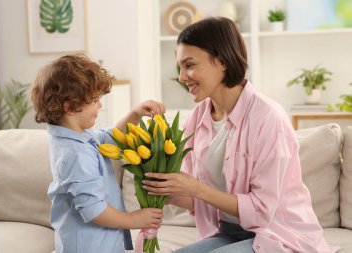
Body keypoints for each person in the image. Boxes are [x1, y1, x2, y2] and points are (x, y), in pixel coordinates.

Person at [142, 17, 340, 253]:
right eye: (181, 67)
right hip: (229, 232)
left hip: (278, 234)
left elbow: (261, 209)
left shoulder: (268, 117)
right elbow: (201, 201)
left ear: (222, 61)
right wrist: (166, 191)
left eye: (190, 65)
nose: (183, 77)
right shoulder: (197, 118)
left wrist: (195, 187)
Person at [30, 54, 165, 253]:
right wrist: (133, 219)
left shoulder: (79, 137)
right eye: (94, 100)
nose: (100, 105)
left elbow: (111, 138)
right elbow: (94, 210)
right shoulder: (75, 154)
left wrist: (135, 113)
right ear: (70, 106)